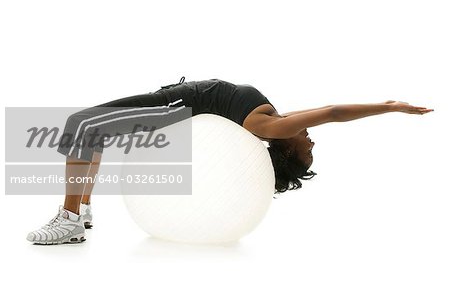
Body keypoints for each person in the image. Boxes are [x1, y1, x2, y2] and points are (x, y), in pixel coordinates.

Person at [26, 77, 433, 244]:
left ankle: (69, 218)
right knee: (93, 129)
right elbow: (321, 113)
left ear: (286, 148)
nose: (311, 140)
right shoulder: (276, 121)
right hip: (177, 103)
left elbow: (330, 113)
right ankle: (82, 210)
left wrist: (388, 107)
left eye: (307, 146)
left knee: (82, 124)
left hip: (175, 106)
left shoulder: (272, 128)